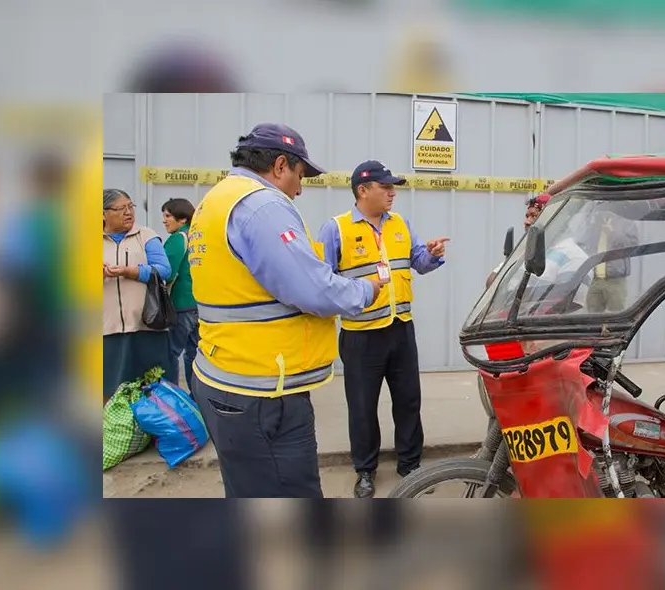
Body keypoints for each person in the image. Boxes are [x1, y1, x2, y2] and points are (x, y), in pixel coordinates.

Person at [187, 123, 383, 498]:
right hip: (262, 391)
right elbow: (312, 289)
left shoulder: (215, 201)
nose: (301, 188)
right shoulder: (262, 205)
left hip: (224, 375)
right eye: (300, 174)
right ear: (280, 165)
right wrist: (364, 290)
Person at [318, 159, 449, 498]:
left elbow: (418, 261)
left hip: (400, 328)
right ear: (363, 190)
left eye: (394, 186)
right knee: (362, 406)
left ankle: (410, 465)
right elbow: (322, 279)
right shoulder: (336, 229)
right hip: (361, 335)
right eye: (385, 186)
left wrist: (432, 254)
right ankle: (365, 470)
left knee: (408, 401)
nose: (392, 192)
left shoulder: (401, 224)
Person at [102, 188, 175, 402]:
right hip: (107, 329)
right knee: (109, 389)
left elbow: (163, 269)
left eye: (130, 207)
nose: (128, 213)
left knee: (151, 389)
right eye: (120, 208)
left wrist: (131, 271)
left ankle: (149, 433)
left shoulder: (145, 236)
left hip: (146, 326)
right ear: (103, 213)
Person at [160, 198, 198, 393]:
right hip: (199, 305)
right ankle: (196, 398)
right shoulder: (198, 236)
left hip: (180, 305)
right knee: (195, 355)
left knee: (170, 353)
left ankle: (171, 396)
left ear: (182, 218)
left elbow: (166, 271)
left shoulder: (178, 238)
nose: (164, 221)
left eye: (168, 216)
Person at [485, 192, 550, 288]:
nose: (526, 222)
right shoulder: (525, 248)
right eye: (527, 216)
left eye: (534, 216)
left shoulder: (567, 252)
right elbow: (492, 280)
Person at [582, 207, 639, 313]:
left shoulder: (626, 222)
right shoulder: (594, 223)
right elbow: (584, 243)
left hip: (615, 281)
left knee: (615, 318)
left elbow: (632, 246)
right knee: (592, 318)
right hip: (594, 280)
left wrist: (612, 233)